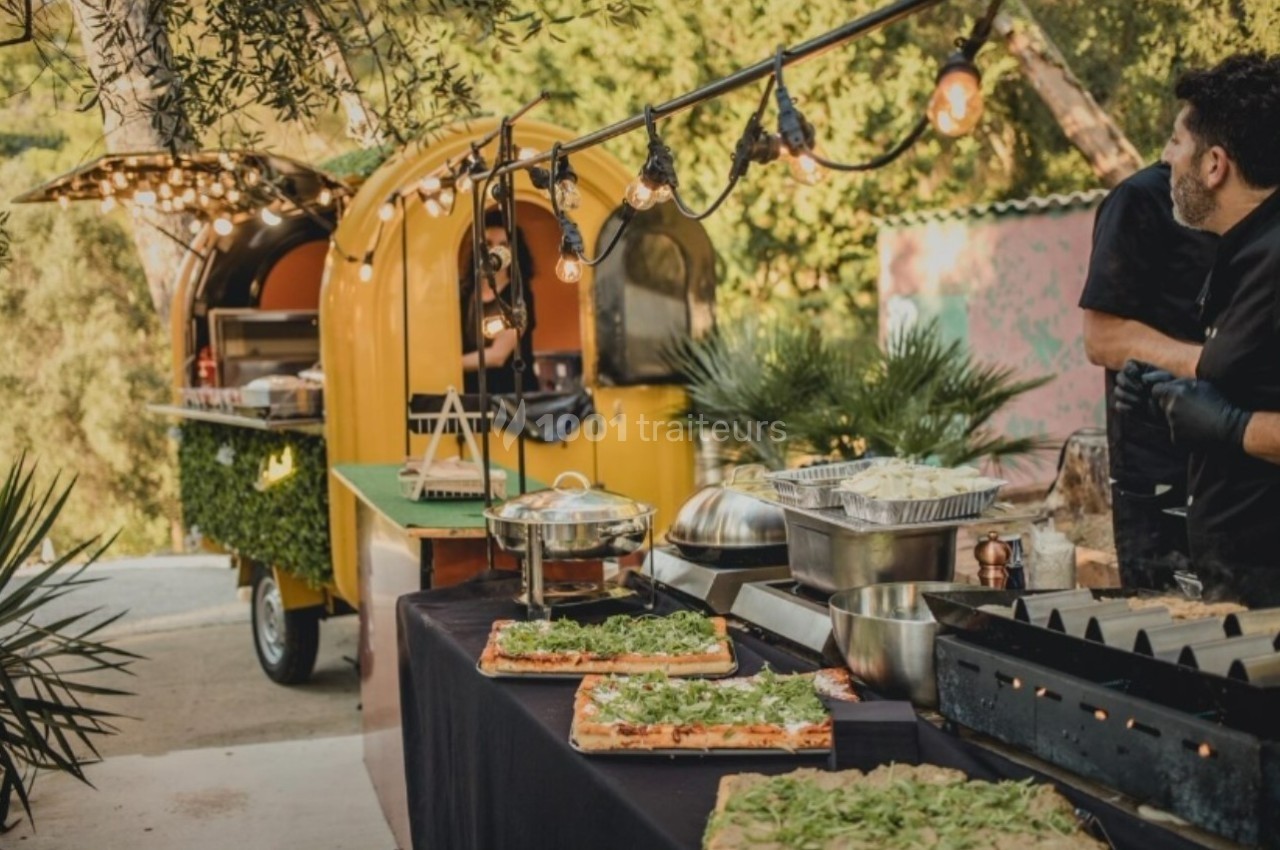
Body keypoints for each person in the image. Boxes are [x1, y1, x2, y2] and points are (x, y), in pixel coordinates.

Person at [1117, 52, 1280, 605]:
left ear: (1214, 164)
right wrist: (1171, 402)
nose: (1166, 160)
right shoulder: (1244, 250)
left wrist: (1231, 426)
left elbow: (1246, 420)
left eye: (1175, 143)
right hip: (1240, 585)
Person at [1078, 162, 1217, 590]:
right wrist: (1213, 364)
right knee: (1162, 627)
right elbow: (1101, 338)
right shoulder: (1138, 199)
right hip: (1158, 472)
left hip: (1241, 468)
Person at [460, 209, 538, 395]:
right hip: (471, 395)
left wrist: (445, 365)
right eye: (487, 243)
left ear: (513, 251)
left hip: (512, 398)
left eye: (503, 245)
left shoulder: (519, 295)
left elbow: (498, 356)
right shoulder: (463, 294)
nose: (494, 251)